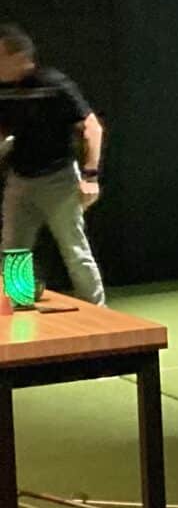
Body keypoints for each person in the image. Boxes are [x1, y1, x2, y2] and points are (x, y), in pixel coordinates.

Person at [0, 24, 106, 304]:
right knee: (14, 249)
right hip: (20, 181)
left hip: (58, 181)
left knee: (75, 251)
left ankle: (100, 311)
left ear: (20, 57)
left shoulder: (54, 85)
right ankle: (20, 302)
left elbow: (92, 127)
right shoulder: (3, 91)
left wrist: (90, 176)